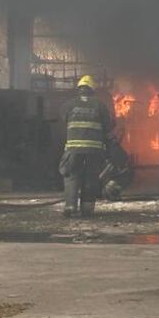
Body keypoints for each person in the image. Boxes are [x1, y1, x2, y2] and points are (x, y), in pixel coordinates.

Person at [60, 75, 113, 218]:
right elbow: (108, 128)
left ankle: (70, 206)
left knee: (71, 174)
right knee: (91, 177)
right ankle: (87, 209)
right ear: (92, 90)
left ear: (79, 89)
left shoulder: (69, 105)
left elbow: (63, 123)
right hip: (94, 150)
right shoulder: (100, 105)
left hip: (73, 148)